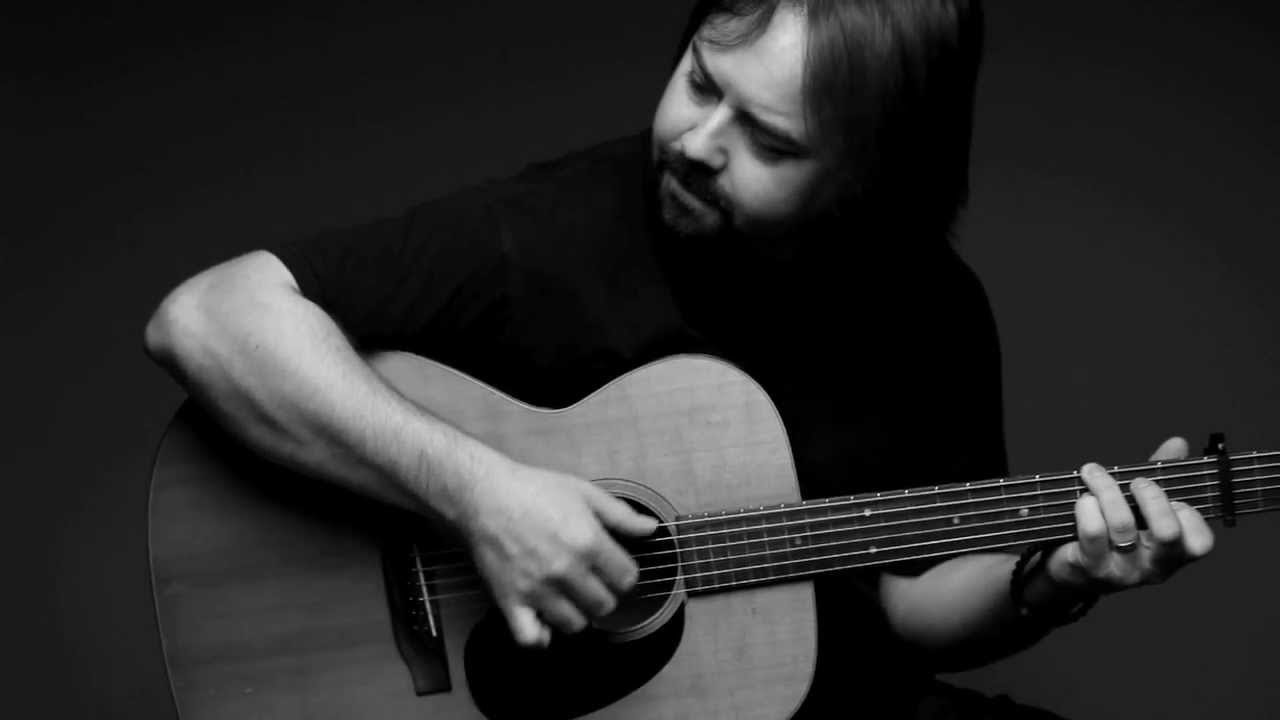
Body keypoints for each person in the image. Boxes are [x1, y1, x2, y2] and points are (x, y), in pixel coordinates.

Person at [143, 1, 1214, 717]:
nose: (697, 142)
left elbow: (902, 608)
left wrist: (1056, 579)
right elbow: (206, 318)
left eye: (770, 141)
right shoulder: (551, 232)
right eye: (701, 81)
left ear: (872, 171)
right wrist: (483, 498)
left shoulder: (936, 313)